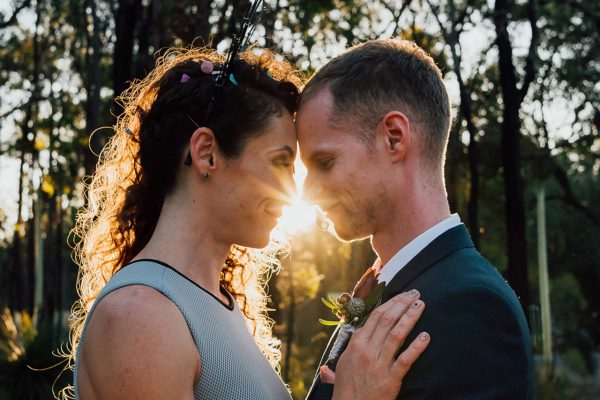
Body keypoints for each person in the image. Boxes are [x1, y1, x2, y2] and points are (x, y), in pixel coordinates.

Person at [66, 46, 430, 400]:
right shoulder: (139, 316)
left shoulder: (213, 304)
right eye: (280, 162)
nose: (295, 190)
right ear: (207, 153)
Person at [297, 38, 534, 399]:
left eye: (325, 163)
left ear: (394, 138)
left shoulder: (470, 307)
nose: (307, 192)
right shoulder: (388, 286)